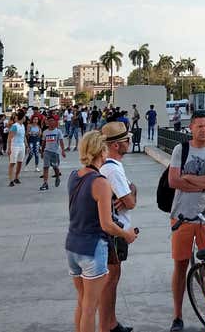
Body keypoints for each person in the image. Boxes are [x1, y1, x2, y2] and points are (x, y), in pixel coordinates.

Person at [66, 130, 138, 332]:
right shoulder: (101, 182)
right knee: (91, 307)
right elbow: (106, 224)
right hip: (92, 247)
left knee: (82, 302)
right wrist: (127, 234)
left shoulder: (74, 176)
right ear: (101, 151)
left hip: (73, 245)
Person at [167, 111, 205, 332]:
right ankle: (177, 315)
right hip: (182, 215)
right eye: (200, 126)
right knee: (180, 265)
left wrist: (189, 178)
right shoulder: (180, 150)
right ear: (191, 127)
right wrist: (202, 184)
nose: (204, 130)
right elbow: (173, 181)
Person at [99, 122, 138, 332]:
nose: (129, 142)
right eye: (126, 140)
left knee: (113, 278)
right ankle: (107, 325)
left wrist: (132, 190)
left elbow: (131, 192)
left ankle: (111, 323)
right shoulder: (112, 170)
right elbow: (130, 202)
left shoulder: (111, 166)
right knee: (110, 280)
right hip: (114, 232)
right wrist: (131, 192)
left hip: (115, 230)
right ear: (115, 145)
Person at [40, 115, 66, 191]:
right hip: (47, 152)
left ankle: (57, 176)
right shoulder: (45, 132)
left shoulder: (58, 131)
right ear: (47, 122)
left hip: (55, 152)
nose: (50, 122)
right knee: (46, 167)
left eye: (52, 121)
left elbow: (61, 141)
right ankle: (45, 183)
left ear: (54, 122)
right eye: (49, 121)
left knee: (55, 167)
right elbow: (43, 142)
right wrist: (42, 151)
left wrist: (63, 151)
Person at [7, 110, 26, 187]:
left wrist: (26, 145)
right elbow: (9, 137)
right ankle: (11, 180)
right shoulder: (15, 126)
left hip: (21, 145)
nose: (25, 118)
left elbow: (24, 136)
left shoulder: (23, 126)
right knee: (12, 163)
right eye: (24, 117)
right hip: (14, 146)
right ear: (22, 117)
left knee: (20, 162)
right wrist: (9, 148)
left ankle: (16, 177)